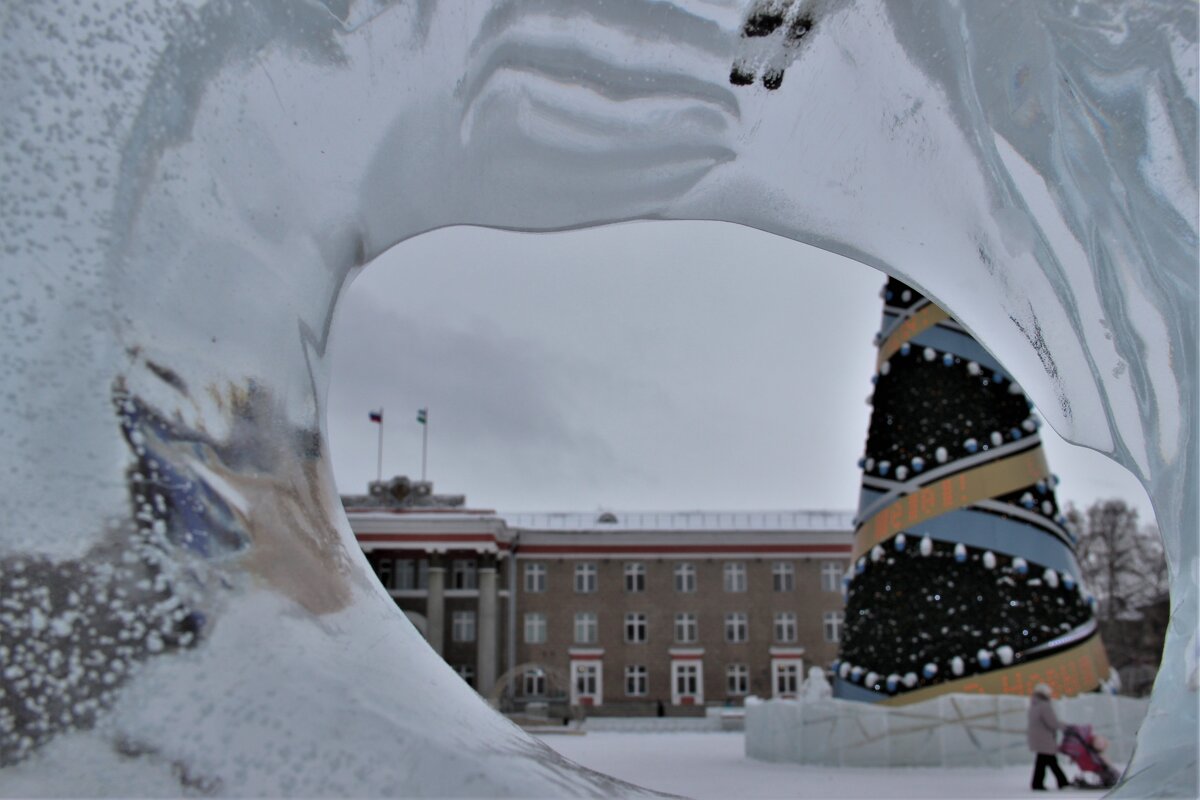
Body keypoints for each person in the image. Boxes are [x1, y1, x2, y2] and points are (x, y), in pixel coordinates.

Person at [1027, 683, 1070, 790]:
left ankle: (1037, 783)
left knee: (1042, 762)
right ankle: (1062, 782)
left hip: (1037, 739)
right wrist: (1065, 726)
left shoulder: (1034, 705)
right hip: (1045, 739)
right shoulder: (1044, 705)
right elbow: (1052, 723)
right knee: (1051, 761)